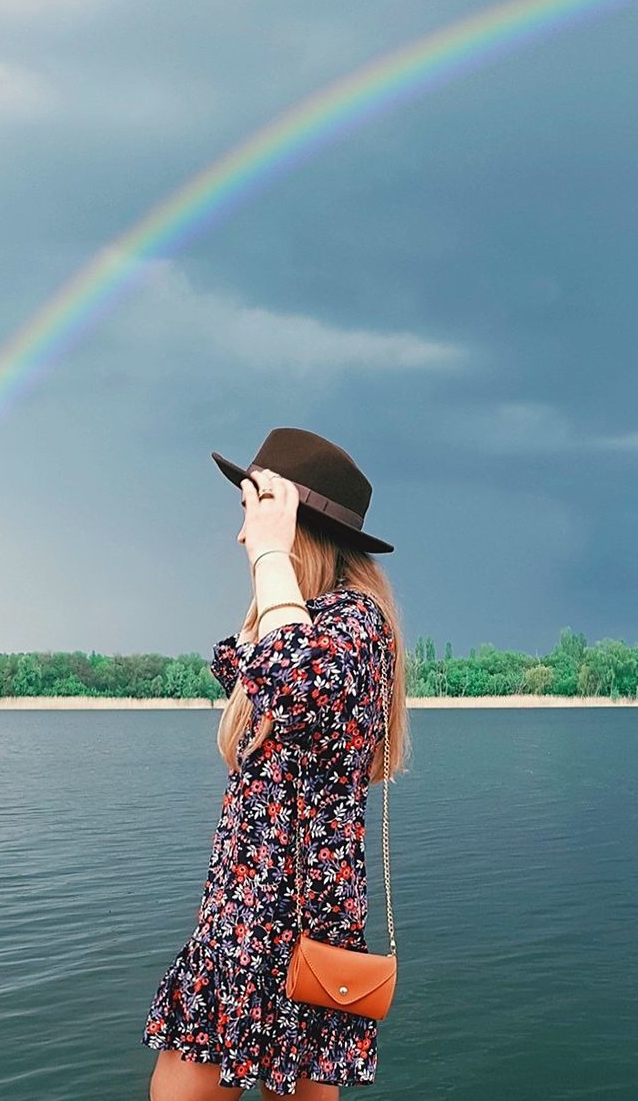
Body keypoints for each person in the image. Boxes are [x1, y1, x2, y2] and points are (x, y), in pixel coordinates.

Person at [142, 428, 409, 1100]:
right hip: (240, 919)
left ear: (297, 526)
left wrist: (270, 555)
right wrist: (272, 582)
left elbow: (297, 683)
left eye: (253, 515)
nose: (242, 537)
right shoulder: (304, 623)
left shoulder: (354, 623)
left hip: (297, 926)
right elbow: (260, 674)